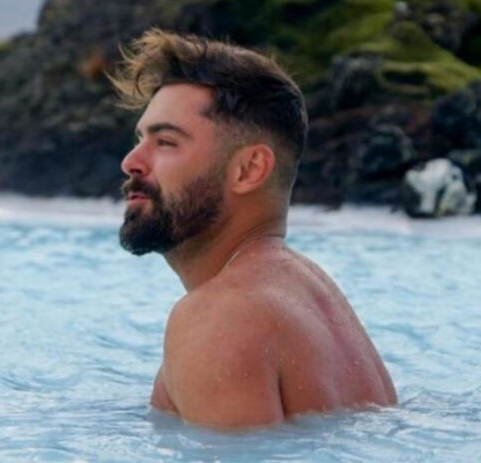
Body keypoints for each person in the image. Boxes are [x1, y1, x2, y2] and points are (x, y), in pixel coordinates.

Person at [111, 29, 397, 428]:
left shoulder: (220, 317)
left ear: (249, 170)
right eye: (141, 138)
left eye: (166, 142)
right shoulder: (308, 291)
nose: (130, 161)